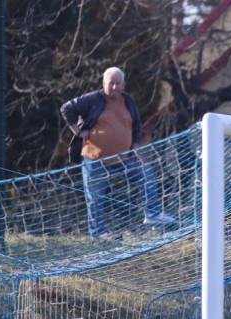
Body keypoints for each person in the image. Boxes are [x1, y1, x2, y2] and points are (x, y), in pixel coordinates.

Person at [60, 67, 174, 239]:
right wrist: (78, 132)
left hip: (124, 157)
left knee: (146, 173)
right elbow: (67, 108)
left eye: (117, 83)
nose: (114, 87)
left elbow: (136, 125)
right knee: (95, 197)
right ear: (103, 83)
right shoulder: (93, 99)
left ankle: (153, 215)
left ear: (123, 84)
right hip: (95, 158)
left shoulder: (129, 101)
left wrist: (135, 146)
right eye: (111, 83)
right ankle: (99, 233)